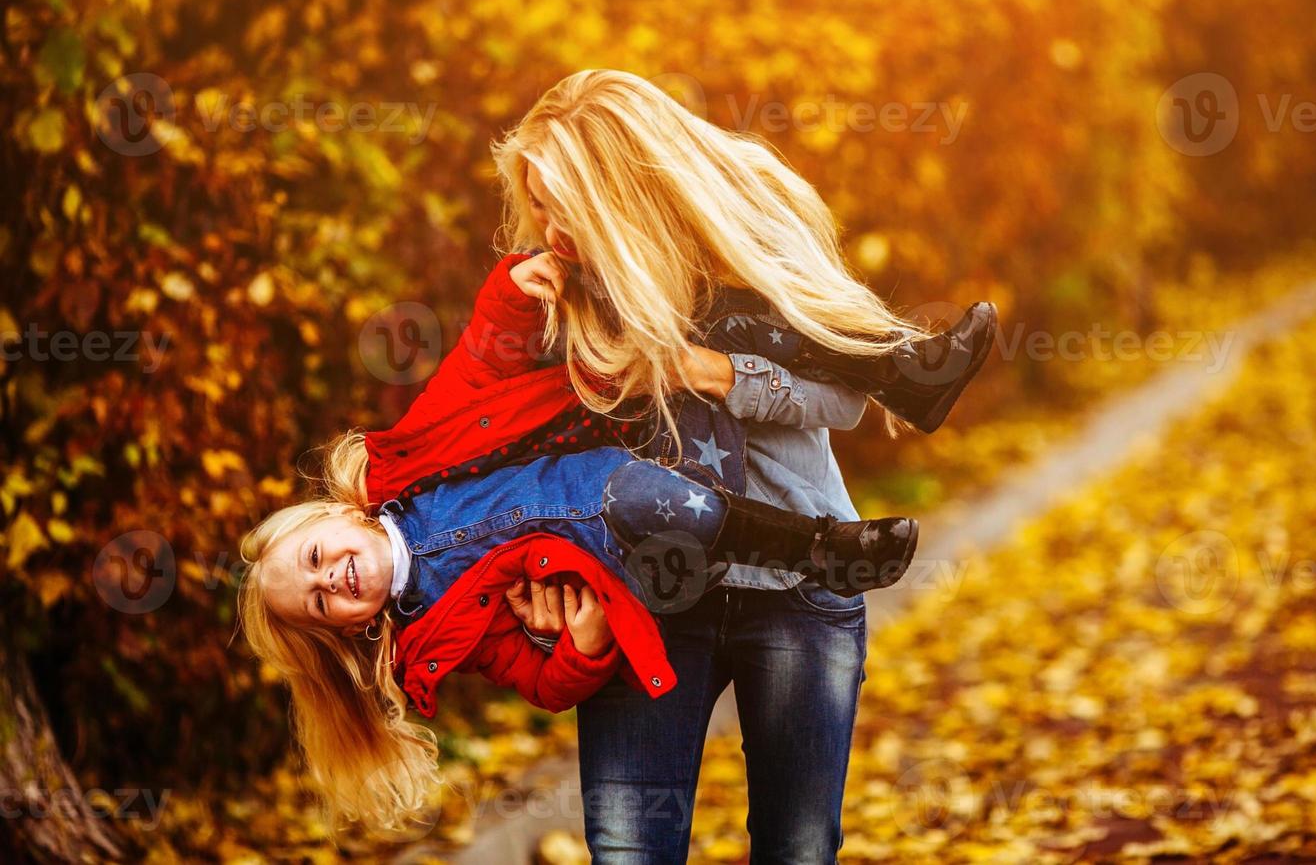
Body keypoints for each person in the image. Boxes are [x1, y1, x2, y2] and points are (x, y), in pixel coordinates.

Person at [237, 242, 990, 832]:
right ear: (352, 626)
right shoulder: (437, 640)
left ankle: (902, 369)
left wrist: (509, 294)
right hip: (643, 535)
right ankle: (823, 551)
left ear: (338, 519)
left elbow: (479, 363)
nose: (330, 579)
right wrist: (583, 647)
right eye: (318, 604)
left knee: (718, 324)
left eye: (313, 559)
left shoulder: (411, 457)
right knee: (627, 494)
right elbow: (540, 683)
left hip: (662, 436)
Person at [488, 69, 996, 863]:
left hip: (797, 593)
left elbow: (843, 402)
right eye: (540, 204)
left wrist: (709, 372)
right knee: (628, 852)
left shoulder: (754, 221)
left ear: (621, 190)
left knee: (797, 849)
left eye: (566, 206)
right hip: (650, 597)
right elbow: (533, 453)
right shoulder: (555, 285)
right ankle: (918, 369)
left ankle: (913, 369)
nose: (548, 228)